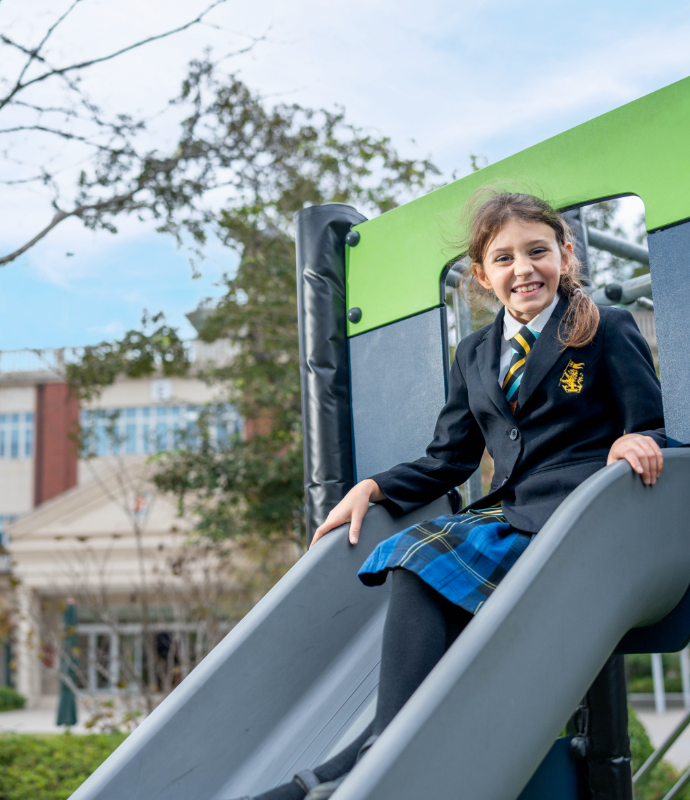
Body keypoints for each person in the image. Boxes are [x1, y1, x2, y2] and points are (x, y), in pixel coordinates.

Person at [235, 191, 665, 800]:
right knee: (417, 566)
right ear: (483, 276)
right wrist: (374, 486)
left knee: (423, 553)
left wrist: (634, 440)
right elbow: (450, 458)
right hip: (512, 517)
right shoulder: (475, 354)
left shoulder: (603, 326)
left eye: (537, 251)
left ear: (564, 255)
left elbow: (650, 425)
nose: (523, 269)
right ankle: (355, 765)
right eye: (504, 258)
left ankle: (352, 767)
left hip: (576, 521)